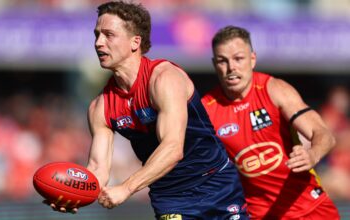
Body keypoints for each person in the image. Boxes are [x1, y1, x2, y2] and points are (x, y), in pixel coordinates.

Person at [50, 2, 248, 219]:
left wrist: (125, 188)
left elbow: (173, 149)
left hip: (216, 185)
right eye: (96, 34)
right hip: (171, 198)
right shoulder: (100, 107)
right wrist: (74, 195)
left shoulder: (164, 79)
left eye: (109, 35)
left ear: (135, 42)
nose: (98, 43)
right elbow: (97, 169)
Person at [201, 25, 340, 219]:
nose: (231, 67)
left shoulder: (274, 90)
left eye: (238, 59)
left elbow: (324, 134)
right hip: (260, 215)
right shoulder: (206, 109)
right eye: (223, 61)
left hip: (310, 207)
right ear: (214, 64)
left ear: (252, 59)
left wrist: (312, 154)